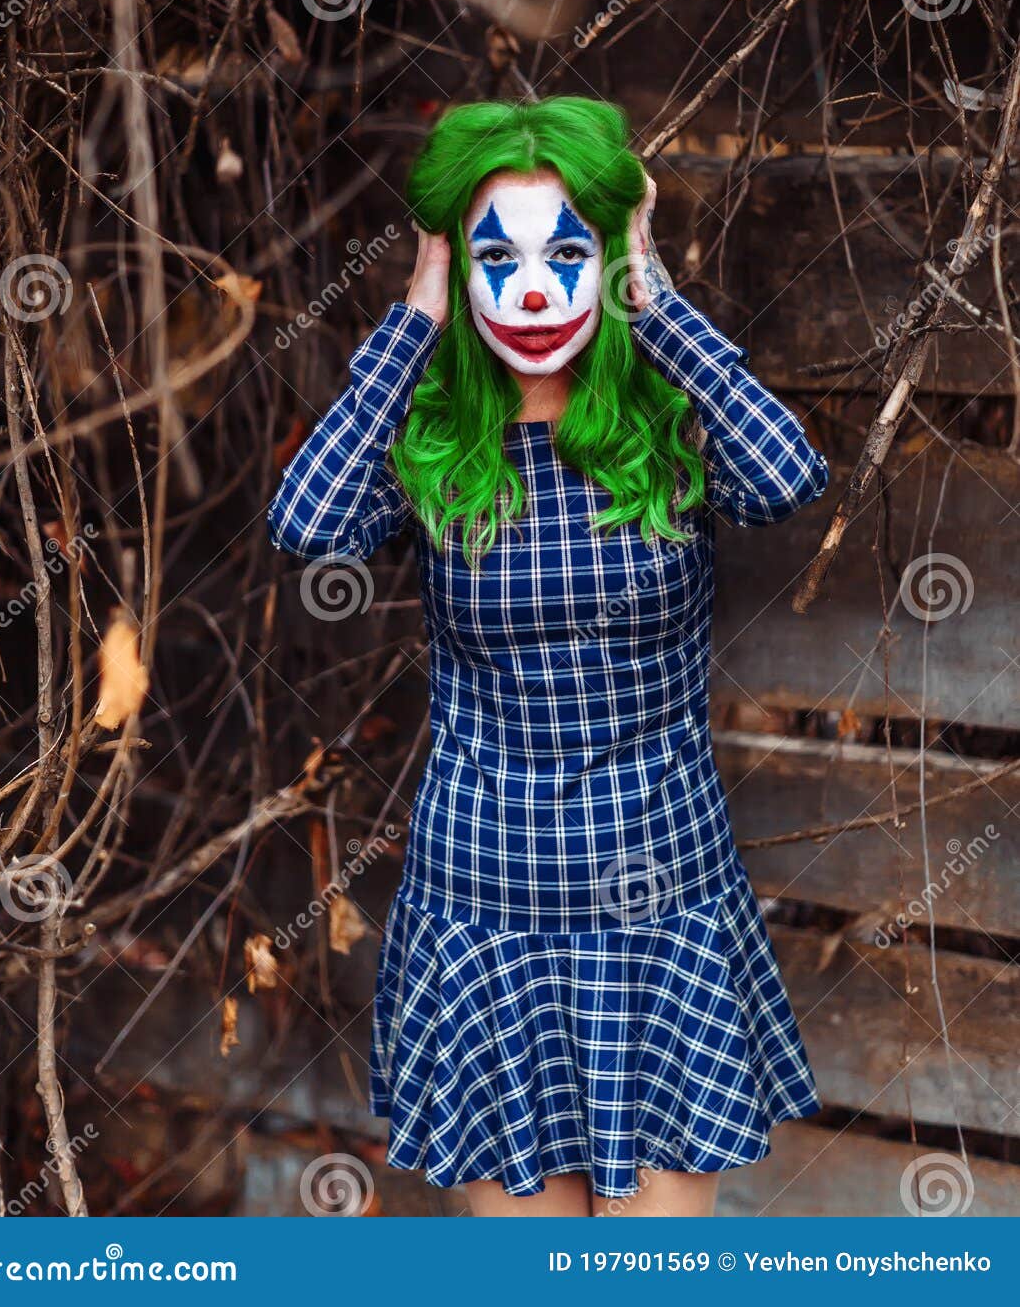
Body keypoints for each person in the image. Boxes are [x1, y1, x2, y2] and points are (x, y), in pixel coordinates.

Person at [268, 96, 829, 1217]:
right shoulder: (433, 440)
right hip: (487, 916)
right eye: (495, 258)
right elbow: (307, 522)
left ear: (608, 256)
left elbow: (786, 477)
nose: (532, 289)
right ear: (458, 271)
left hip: (658, 910)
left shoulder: (666, 425)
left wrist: (654, 299)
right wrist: (413, 318)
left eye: (567, 252)